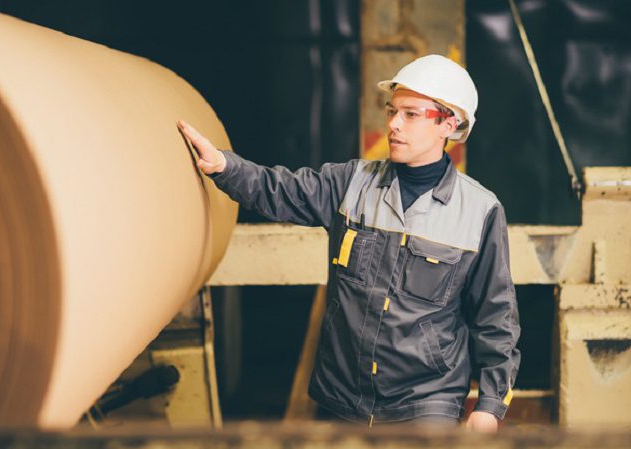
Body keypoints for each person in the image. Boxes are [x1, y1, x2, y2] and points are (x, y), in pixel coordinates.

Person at [177, 54, 520, 433]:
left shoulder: (480, 211)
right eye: (391, 111)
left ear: (448, 124)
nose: (393, 124)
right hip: (343, 396)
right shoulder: (351, 183)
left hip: (425, 403)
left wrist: (489, 405)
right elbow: (280, 190)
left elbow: (496, 319)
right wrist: (225, 167)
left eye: (410, 114)